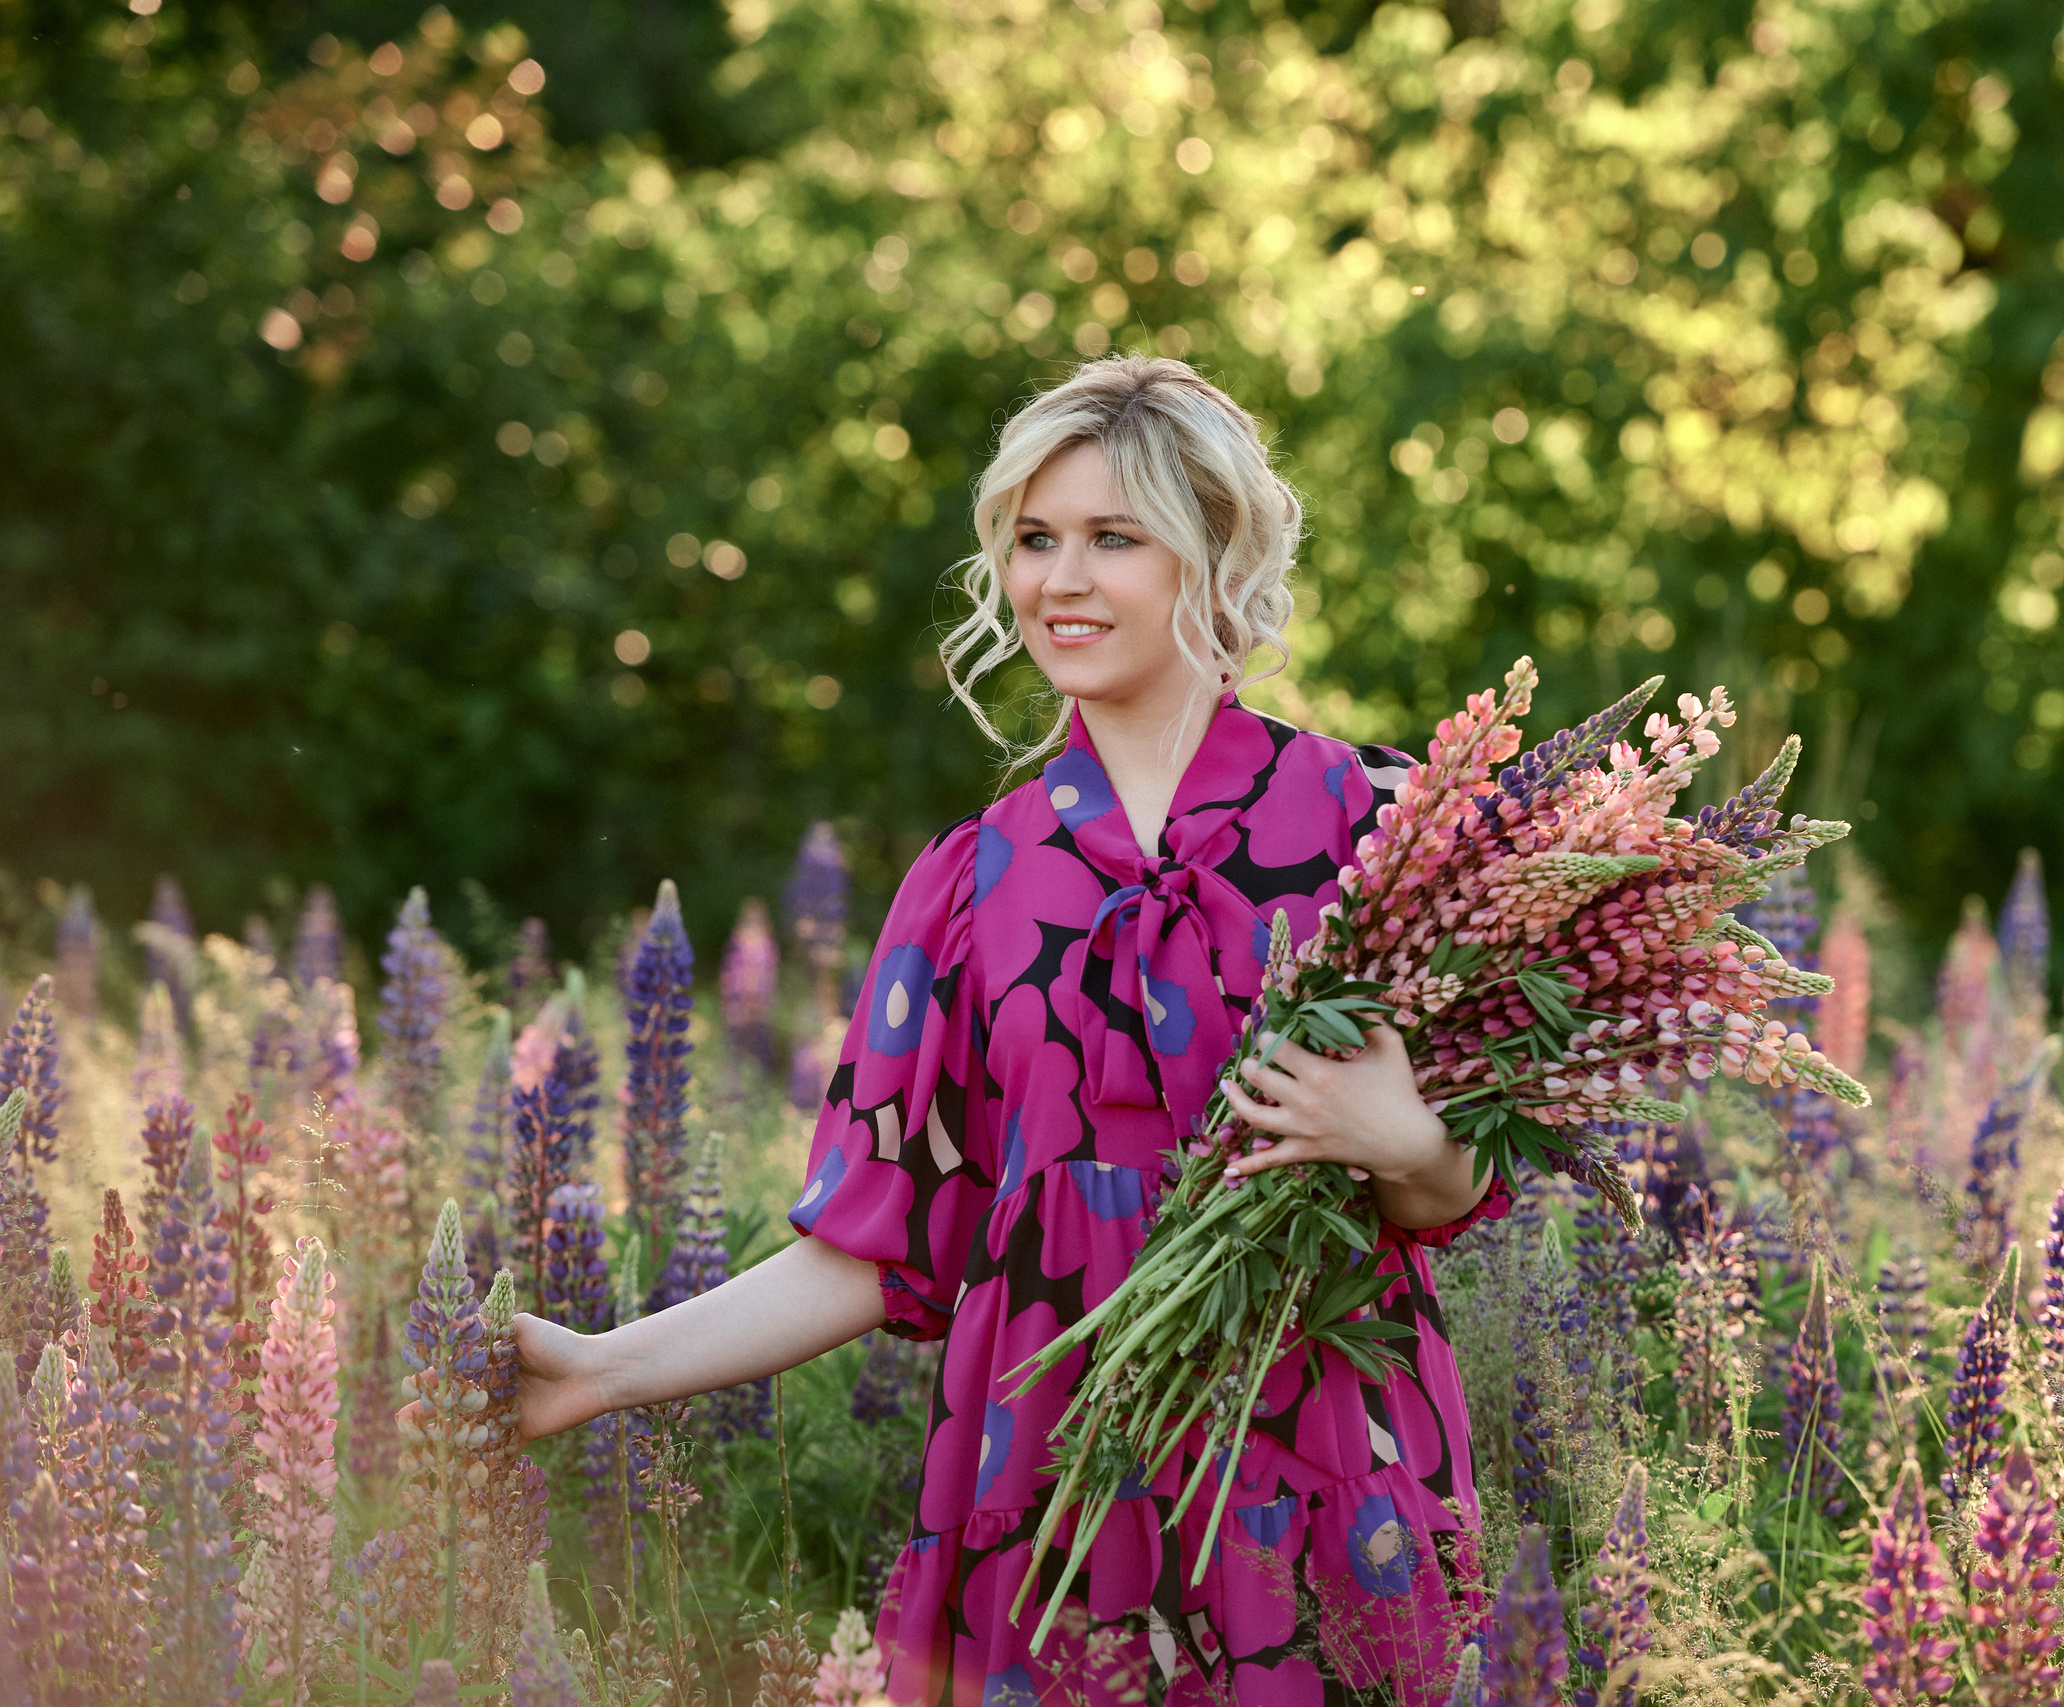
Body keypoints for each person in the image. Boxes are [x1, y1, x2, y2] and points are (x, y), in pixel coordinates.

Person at [516, 355, 1507, 1705]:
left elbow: (1456, 1188)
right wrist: (596, 1371)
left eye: (1114, 539)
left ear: (1213, 553)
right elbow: (879, 1243)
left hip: (1315, 1452)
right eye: (1035, 540)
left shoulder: (1374, 828)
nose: (1060, 582)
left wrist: (1404, 1142)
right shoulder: (975, 884)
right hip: (1051, 1480)